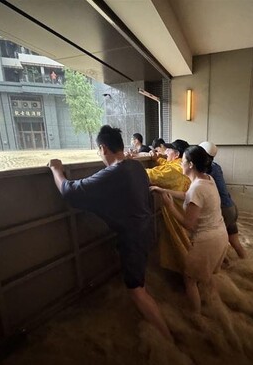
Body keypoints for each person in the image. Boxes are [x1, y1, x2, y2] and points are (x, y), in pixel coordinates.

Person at [48, 125, 172, 341]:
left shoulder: (114, 173)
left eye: (98, 150)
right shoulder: (136, 167)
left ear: (103, 148)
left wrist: (56, 170)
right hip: (146, 231)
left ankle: (168, 340)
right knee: (140, 281)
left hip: (132, 239)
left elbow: (70, 191)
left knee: (136, 290)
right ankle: (158, 321)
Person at [151, 146, 228, 313]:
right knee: (205, 276)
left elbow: (188, 224)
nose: (181, 165)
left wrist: (170, 206)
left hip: (207, 240)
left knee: (189, 279)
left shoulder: (197, 188)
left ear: (191, 164)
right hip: (221, 235)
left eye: (183, 162)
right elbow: (188, 196)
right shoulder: (207, 179)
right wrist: (163, 190)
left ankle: (196, 317)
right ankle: (214, 304)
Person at [145, 139, 191, 273]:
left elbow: (155, 175)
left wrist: (128, 164)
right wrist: (158, 159)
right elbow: (168, 165)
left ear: (176, 154)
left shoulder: (175, 169)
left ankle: (189, 273)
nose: (166, 153)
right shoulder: (181, 165)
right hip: (184, 209)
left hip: (177, 212)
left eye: (169, 150)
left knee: (181, 244)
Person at [199, 141, 247, 259]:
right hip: (231, 207)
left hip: (223, 210)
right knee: (234, 242)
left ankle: (224, 268)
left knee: (216, 244)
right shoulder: (216, 166)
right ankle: (245, 262)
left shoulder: (205, 170)